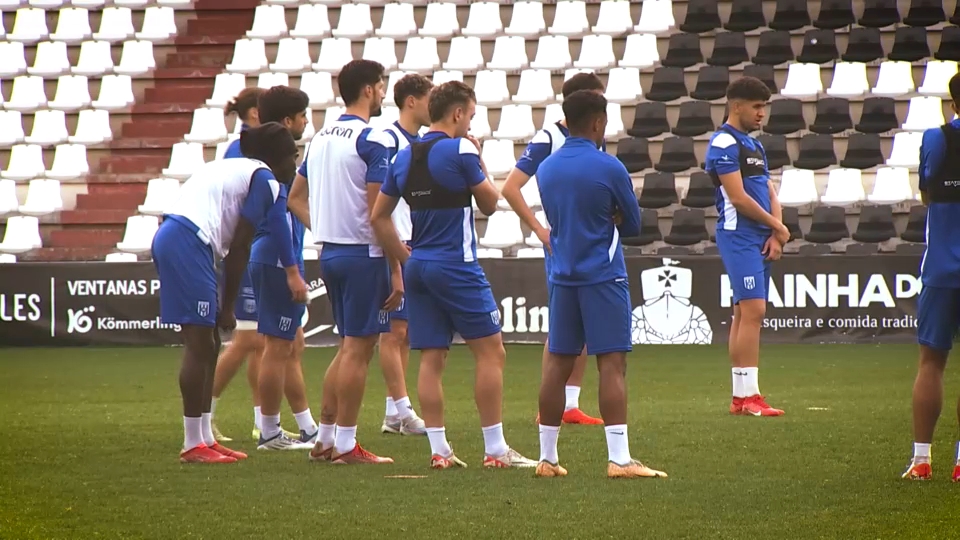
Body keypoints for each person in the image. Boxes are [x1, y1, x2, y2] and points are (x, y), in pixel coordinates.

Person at [371, 81, 537, 470]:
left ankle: (439, 450)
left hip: (420, 267)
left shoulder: (404, 155)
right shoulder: (461, 148)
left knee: (432, 355)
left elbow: (378, 217)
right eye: (471, 116)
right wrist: (477, 159)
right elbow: (491, 204)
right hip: (456, 265)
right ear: (457, 114)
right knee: (491, 351)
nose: (470, 125)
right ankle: (495, 450)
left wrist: (405, 259)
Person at [533, 90, 665, 479]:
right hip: (603, 275)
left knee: (557, 364)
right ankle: (620, 459)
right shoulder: (610, 167)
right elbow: (635, 225)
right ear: (597, 122)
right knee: (612, 363)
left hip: (562, 275)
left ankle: (547, 459)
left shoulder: (547, 168)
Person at [152, 123, 300, 463]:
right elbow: (241, 245)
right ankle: (192, 444)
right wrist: (229, 305)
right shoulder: (264, 178)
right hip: (188, 239)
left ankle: (204, 436)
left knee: (210, 343)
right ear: (279, 159)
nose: (296, 164)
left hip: (183, 237)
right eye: (293, 156)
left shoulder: (241, 169)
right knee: (200, 342)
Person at [288, 60, 400, 465]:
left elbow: (294, 198)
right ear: (369, 90)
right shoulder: (372, 139)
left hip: (330, 251)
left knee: (347, 346)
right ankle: (348, 445)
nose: (384, 93)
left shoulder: (319, 138)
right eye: (382, 86)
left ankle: (327, 437)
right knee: (359, 347)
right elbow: (378, 214)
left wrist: (325, 227)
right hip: (362, 254)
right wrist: (399, 266)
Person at [501, 72, 607, 426]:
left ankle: (570, 404)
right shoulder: (549, 137)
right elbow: (511, 187)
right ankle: (550, 405)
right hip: (563, 244)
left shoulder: (593, 139)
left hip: (590, 243)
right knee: (563, 329)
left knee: (586, 327)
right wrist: (540, 230)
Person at [210, 86, 314, 444]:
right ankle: (207, 414)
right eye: (302, 116)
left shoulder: (271, 147)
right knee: (254, 341)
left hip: (273, 253)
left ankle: (295, 424)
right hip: (265, 254)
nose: (306, 123)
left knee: (284, 343)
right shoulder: (254, 153)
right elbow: (263, 211)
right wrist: (290, 269)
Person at [704, 77, 788, 418]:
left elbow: (768, 191)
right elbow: (737, 199)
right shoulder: (723, 143)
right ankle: (750, 396)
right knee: (753, 312)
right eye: (756, 106)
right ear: (735, 105)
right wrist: (778, 226)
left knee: (744, 312)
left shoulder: (754, 145)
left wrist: (776, 233)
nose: (761, 113)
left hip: (760, 235)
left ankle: (742, 397)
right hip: (738, 235)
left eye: (764, 107)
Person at [902, 72, 960, 481]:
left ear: (953, 103)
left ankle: (922, 460)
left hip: (941, 267)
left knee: (931, 363)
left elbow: (926, 190)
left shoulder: (937, 138)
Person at [377, 74, 432, 437]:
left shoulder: (421, 143)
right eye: (429, 98)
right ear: (411, 101)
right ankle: (402, 410)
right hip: (394, 243)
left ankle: (393, 412)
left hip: (414, 242)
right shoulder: (389, 140)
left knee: (406, 331)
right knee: (393, 331)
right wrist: (393, 249)